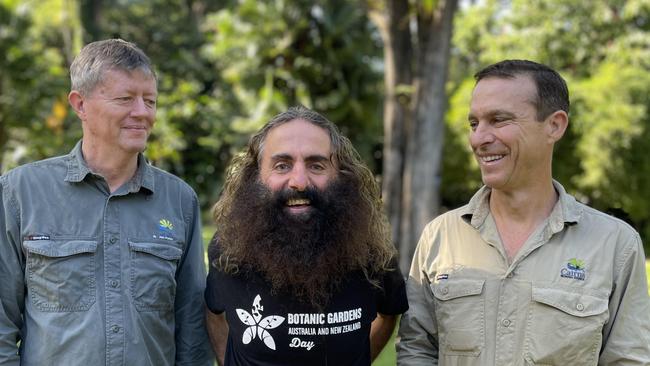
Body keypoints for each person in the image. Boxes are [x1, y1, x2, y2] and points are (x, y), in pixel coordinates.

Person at [397, 59, 650, 365]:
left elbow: (628, 359)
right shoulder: (440, 237)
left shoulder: (615, 245)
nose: (479, 138)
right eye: (474, 124)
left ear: (554, 125)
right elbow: (417, 351)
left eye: (499, 120)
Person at [0, 39, 211, 365]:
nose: (142, 113)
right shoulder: (20, 193)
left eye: (150, 101)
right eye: (125, 99)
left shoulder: (179, 201)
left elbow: (192, 330)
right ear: (80, 104)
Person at [204, 106, 408, 366]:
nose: (299, 181)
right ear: (256, 176)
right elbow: (214, 313)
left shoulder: (372, 251)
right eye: (282, 165)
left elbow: (388, 314)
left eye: (316, 165)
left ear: (340, 174)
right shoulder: (228, 248)